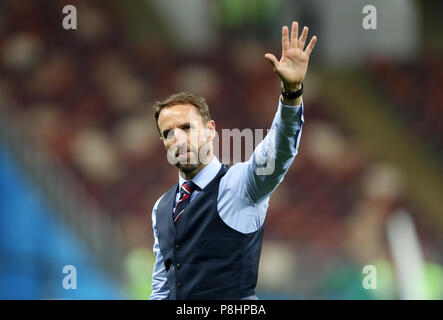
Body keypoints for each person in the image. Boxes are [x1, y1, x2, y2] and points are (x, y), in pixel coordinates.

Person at [149, 21, 317, 300]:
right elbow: (162, 289)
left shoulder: (239, 185)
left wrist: (291, 93)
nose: (178, 139)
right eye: (168, 133)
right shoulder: (162, 207)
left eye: (187, 128)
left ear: (211, 130)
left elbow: (280, 151)